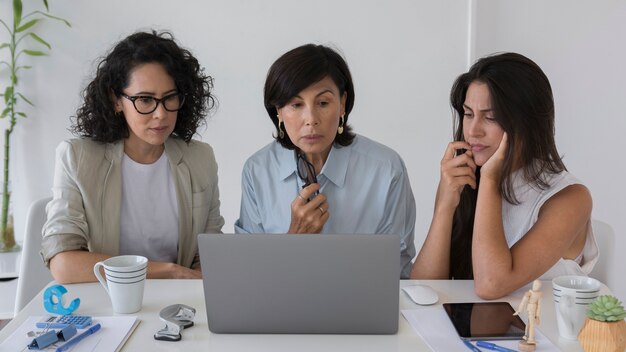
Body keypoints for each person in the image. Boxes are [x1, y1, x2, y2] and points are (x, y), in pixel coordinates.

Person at [41, 31, 224, 283]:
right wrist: (167, 271)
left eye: (170, 98)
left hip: (179, 305)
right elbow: (63, 264)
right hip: (108, 304)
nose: (160, 114)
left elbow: (209, 255)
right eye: (145, 100)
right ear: (116, 100)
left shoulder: (200, 158)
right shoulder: (77, 158)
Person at [410, 52, 598, 298]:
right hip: (476, 332)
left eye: (491, 117)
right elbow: (421, 291)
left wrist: (490, 180)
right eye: (468, 114)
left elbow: (491, 284)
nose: (473, 131)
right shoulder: (465, 177)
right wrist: (445, 205)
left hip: (540, 334)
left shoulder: (571, 198)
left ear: (527, 124)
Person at [235, 44, 416, 278]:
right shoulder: (257, 170)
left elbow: (396, 268)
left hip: (360, 306)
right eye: (296, 104)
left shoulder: (387, 169)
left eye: (323, 103)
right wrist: (294, 240)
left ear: (342, 104)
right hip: (280, 307)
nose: (311, 119)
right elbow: (249, 273)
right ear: (278, 111)